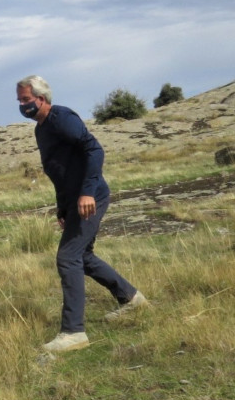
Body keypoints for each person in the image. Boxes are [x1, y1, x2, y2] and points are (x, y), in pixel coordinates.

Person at [16, 75, 147, 352]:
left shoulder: (62, 118)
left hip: (92, 197)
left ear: (41, 98)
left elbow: (93, 150)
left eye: (26, 99)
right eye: (20, 100)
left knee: (68, 257)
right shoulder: (41, 130)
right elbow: (58, 171)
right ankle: (131, 298)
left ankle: (74, 332)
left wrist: (87, 192)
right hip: (76, 201)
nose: (22, 105)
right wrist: (63, 207)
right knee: (83, 256)